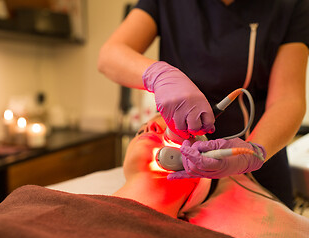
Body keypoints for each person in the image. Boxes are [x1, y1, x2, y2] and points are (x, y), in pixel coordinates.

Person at [97, 0, 309, 209]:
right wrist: (158, 74)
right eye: (145, 132)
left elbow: (288, 98)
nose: (152, 126)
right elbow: (110, 55)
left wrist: (254, 151)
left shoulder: (291, 5)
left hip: (260, 162)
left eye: (145, 131)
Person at [0, 115, 236, 238]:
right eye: (146, 127)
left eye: (176, 131)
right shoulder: (29, 197)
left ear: (203, 167)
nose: (150, 125)